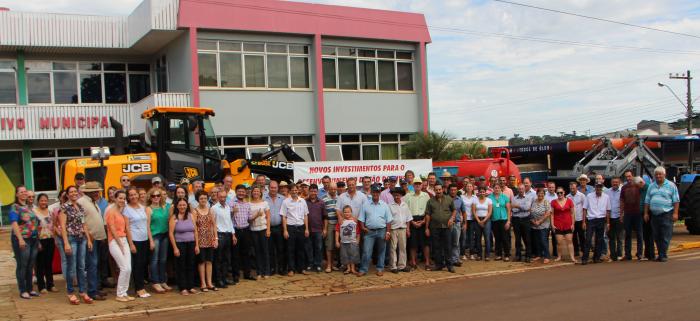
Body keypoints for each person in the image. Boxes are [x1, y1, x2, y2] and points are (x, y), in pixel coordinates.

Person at [59, 185, 93, 305]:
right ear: (67, 195)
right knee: (71, 267)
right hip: (71, 239)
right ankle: (70, 292)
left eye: (75, 191)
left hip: (82, 238)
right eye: (71, 192)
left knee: (81, 266)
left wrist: (88, 239)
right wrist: (66, 243)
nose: (74, 193)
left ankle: (83, 291)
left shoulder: (80, 207)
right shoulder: (64, 207)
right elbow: (62, 226)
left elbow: (84, 224)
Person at [77, 182, 108, 301]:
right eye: (94, 191)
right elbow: (81, 221)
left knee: (96, 264)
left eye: (97, 191)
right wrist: (88, 236)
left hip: (98, 237)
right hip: (90, 239)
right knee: (92, 265)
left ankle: (95, 288)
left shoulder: (93, 202)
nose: (97, 193)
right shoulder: (82, 202)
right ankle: (92, 291)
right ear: (88, 192)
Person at [9, 185, 40, 300]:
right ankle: (23, 290)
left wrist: (38, 239)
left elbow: (35, 223)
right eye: (21, 192)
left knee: (30, 265)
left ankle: (30, 288)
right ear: (17, 194)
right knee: (22, 265)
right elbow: (14, 223)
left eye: (25, 191)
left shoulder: (30, 207)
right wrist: (20, 239)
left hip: (33, 239)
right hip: (22, 239)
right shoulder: (15, 207)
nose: (23, 193)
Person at [644, 166, 680, 262]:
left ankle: (662, 255)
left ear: (664, 175)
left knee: (665, 235)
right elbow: (647, 201)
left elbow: (676, 200)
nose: (658, 176)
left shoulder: (671, 185)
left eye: (660, 174)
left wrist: (675, 213)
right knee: (657, 235)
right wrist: (646, 213)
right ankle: (661, 254)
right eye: (656, 174)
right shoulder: (651, 186)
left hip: (666, 214)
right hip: (654, 215)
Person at [123, 187, 153, 298]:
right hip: (135, 240)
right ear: (128, 197)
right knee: (137, 265)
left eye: (135, 194)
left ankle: (141, 287)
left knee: (143, 264)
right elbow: (127, 227)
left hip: (144, 239)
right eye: (131, 195)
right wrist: (131, 244)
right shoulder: (126, 209)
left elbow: (147, 225)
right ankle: (139, 288)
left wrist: (150, 240)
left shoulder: (142, 207)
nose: (133, 197)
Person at [105, 190, 135, 302]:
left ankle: (124, 292)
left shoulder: (121, 212)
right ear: (115, 199)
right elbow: (112, 229)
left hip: (124, 240)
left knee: (128, 268)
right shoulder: (110, 212)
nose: (122, 200)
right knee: (123, 267)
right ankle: (119, 294)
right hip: (114, 241)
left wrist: (124, 242)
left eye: (123, 198)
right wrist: (120, 244)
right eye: (120, 198)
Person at [357, 185, 392, 277]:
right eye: (374, 192)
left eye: (377, 192)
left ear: (379, 193)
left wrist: (388, 232)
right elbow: (361, 218)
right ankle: (363, 269)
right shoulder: (365, 204)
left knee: (381, 251)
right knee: (366, 251)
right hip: (369, 232)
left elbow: (389, 220)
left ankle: (380, 269)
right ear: (371, 193)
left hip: (382, 231)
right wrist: (363, 227)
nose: (375, 194)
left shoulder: (384, 205)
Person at [169, 198, 200, 295]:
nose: (182, 207)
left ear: (187, 206)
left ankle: (190, 286)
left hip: (191, 243)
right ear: (177, 206)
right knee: (181, 266)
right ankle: (182, 287)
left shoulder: (191, 215)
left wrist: (197, 245)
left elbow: (195, 231)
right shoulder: (174, 217)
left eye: (184, 205)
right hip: (180, 244)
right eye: (180, 205)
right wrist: (175, 248)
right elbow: (171, 233)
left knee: (191, 265)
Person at [425, 184, 456, 272]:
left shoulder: (449, 199)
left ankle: (449, 265)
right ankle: (439, 265)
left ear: (442, 189)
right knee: (436, 247)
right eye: (436, 190)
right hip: (434, 227)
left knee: (448, 246)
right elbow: (428, 215)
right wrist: (426, 228)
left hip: (447, 227)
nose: (438, 191)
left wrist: (452, 218)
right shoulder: (430, 201)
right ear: (434, 191)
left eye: (440, 189)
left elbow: (454, 210)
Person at [281, 184, 310, 276]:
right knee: (290, 249)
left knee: (301, 249)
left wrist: (306, 229)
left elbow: (305, 215)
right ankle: (291, 269)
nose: (294, 191)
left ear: (298, 191)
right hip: (290, 227)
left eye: (296, 190)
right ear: (290, 191)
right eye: (292, 190)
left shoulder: (303, 201)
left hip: (301, 227)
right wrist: (285, 230)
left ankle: (301, 268)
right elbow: (284, 217)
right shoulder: (286, 202)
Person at [191, 190, 217, 290]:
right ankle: (203, 284)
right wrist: (196, 243)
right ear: (198, 199)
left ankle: (210, 283)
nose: (203, 200)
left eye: (205, 198)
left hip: (210, 239)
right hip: (200, 239)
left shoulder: (210, 210)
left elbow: (214, 225)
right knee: (201, 261)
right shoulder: (194, 211)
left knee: (209, 261)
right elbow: (194, 228)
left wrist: (215, 238)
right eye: (201, 198)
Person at [147, 188, 171, 293]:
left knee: (163, 260)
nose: (156, 197)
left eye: (158, 195)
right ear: (150, 197)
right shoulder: (148, 209)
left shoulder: (164, 207)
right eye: (153, 196)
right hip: (155, 236)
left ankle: (163, 281)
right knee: (154, 260)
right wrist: (151, 240)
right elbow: (147, 226)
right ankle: (155, 282)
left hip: (164, 235)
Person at [229, 184, 255, 281]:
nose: (241, 193)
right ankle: (236, 275)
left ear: (245, 193)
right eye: (239, 191)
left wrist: (257, 215)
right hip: (235, 231)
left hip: (246, 230)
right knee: (235, 254)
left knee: (246, 253)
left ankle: (247, 274)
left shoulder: (247, 204)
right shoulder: (231, 203)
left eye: (243, 192)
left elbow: (249, 218)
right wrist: (232, 212)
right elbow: (227, 218)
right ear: (236, 192)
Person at [212, 189, 237, 288]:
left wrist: (233, 234)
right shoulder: (214, 208)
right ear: (217, 197)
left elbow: (229, 222)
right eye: (221, 197)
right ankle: (218, 280)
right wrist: (215, 238)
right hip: (219, 235)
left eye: (224, 197)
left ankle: (224, 278)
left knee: (227, 259)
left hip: (228, 235)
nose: (223, 199)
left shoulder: (227, 207)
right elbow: (212, 224)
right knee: (218, 259)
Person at [582, 184, 611, 265]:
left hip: (601, 219)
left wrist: (608, 223)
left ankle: (596, 258)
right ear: (595, 188)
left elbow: (608, 210)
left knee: (599, 240)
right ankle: (585, 258)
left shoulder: (606, 197)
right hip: (591, 219)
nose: (598, 188)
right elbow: (584, 209)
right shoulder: (589, 196)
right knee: (588, 239)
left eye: (600, 187)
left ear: (602, 188)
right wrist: (583, 222)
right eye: (597, 187)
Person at [405, 177, 430, 269]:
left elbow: (428, 210)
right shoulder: (408, 196)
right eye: (416, 184)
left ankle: (427, 262)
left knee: (425, 244)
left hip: (423, 219)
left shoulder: (426, 195)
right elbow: (406, 210)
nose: (418, 185)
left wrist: (424, 221)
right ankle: (413, 262)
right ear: (413, 185)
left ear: (422, 185)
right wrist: (412, 222)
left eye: (419, 184)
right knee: (413, 244)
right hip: (412, 219)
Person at [34, 193, 57, 293]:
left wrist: (55, 237)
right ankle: (41, 286)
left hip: (50, 239)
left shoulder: (50, 211)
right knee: (40, 264)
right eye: (41, 200)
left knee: (49, 263)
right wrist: (37, 242)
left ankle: (50, 285)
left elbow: (54, 225)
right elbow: (33, 228)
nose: (44, 202)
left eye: (45, 200)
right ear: (38, 201)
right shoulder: (34, 212)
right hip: (40, 240)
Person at [249, 185, 272, 279]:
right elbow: (249, 219)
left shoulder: (265, 203)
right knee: (257, 252)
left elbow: (268, 217)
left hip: (263, 229)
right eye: (254, 191)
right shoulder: (249, 204)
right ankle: (259, 272)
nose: (256, 193)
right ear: (252, 193)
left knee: (265, 251)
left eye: (257, 191)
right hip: (254, 230)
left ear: (260, 193)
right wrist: (256, 215)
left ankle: (266, 272)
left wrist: (268, 229)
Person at [265, 180, 287, 275]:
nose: (273, 189)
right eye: (271, 187)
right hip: (268, 228)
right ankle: (272, 268)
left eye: (275, 187)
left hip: (279, 227)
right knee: (270, 249)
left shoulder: (282, 199)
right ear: (269, 188)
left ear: (278, 188)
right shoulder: (263, 198)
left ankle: (281, 268)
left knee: (280, 249)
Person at [388, 187, 412, 273]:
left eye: (398, 195)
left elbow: (408, 218)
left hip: (403, 229)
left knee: (403, 248)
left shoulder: (405, 205)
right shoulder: (390, 206)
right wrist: (388, 231)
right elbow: (388, 219)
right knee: (393, 248)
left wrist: (408, 229)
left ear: (401, 195)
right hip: (393, 229)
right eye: (394, 195)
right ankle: (393, 266)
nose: (396, 197)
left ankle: (402, 266)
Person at [620, 172, 643, 261]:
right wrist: (621, 213)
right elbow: (622, 200)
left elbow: (645, 190)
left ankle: (640, 253)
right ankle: (627, 254)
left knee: (639, 234)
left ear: (632, 176)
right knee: (628, 234)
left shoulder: (638, 185)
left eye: (629, 176)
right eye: (626, 177)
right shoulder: (624, 187)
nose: (628, 178)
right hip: (628, 213)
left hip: (637, 213)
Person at [305, 184, 327, 273]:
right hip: (308, 230)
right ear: (309, 191)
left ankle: (318, 264)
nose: (313, 193)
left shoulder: (321, 202)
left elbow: (325, 217)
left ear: (317, 192)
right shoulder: (304, 202)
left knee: (318, 248)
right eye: (311, 191)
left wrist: (325, 229)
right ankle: (310, 264)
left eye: (315, 191)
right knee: (309, 247)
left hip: (318, 229)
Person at [552, 187, 576, 262]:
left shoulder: (569, 201)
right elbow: (552, 214)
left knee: (569, 241)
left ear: (564, 192)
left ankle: (572, 257)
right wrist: (552, 224)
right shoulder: (553, 202)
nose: (559, 194)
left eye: (561, 192)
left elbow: (572, 213)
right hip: (558, 224)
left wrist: (573, 224)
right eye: (558, 193)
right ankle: (559, 256)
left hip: (568, 224)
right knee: (559, 242)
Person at [511, 183, 534, 262]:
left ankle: (528, 256)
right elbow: (513, 210)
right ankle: (518, 256)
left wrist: (517, 206)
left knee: (527, 238)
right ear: (518, 189)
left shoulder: (528, 198)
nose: (521, 190)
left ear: (524, 189)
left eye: (522, 189)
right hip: (516, 220)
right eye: (519, 189)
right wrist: (521, 207)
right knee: (517, 239)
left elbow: (527, 207)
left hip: (525, 220)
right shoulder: (514, 198)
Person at [335, 206, 360, 275]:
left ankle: (353, 268)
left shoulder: (354, 221)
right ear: (343, 213)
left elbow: (358, 232)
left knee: (353, 255)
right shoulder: (341, 221)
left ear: (351, 212)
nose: (347, 213)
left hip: (353, 242)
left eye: (348, 212)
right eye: (345, 212)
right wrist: (337, 241)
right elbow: (337, 231)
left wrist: (358, 240)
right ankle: (348, 268)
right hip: (344, 242)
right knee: (345, 255)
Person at [489, 184, 511, 261]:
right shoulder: (489, 197)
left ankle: (507, 255)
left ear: (500, 189)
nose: (497, 189)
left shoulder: (504, 197)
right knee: (497, 238)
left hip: (504, 220)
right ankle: (498, 254)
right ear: (493, 189)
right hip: (494, 220)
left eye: (498, 188)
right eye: (495, 188)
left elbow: (508, 210)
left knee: (505, 238)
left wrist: (508, 221)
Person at [530, 188, 552, 264]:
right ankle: (538, 255)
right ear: (537, 194)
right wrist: (533, 221)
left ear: (544, 194)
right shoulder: (534, 202)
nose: (540, 194)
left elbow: (548, 213)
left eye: (542, 193)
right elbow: (531, 212)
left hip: (544, 225)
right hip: (534, 225)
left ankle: (546, 256)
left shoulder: (546, 202)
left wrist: (540, 221)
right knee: (537, 241)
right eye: (539, 193)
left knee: (543, 240)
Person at [322, 183, 339, 273]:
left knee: (335, 246)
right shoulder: (324, 198)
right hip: (329, 224)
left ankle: (333, 264)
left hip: (338, 224)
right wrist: (324, 227)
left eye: (334, 189)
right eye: (331, 189)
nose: (333, 191)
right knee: (329, 245)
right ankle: (328, 265)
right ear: (328, 189)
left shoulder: (339, 197)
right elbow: (322, 213)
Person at [567, 182, 587, 258]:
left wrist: (584, 221)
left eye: (574, 188)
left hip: (580, 219)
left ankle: (584, 250)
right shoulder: (567, 197)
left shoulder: (582, 196)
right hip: (572, 220)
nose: (572, 189)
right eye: (571, 188)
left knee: (582, 236)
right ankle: (576, 251)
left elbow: (585, 208)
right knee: (574, 236)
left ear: (576, 188)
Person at [473, 186, 493, 261]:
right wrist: (478, 221)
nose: (482, 193)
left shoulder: (489, 200)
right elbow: (474, 211)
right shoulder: (475, 200)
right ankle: (479, 255)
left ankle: (487, 255)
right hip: (477, 220)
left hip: (486, 220)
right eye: (480, 192)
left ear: (485, 192)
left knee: (487, 238)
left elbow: (490, 212)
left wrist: (484, 220)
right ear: (478, 192)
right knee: (478, 238)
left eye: (483, 192)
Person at [605, 177, 623, 261]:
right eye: (613, 182)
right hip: (610, 217)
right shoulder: (607, 192)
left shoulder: (623, 191)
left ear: (619, 183)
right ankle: (613, 255)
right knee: (611, 237)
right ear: (611, 183)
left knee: (619, 237)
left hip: (619, 217)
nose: (615, 183)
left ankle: (619, 254)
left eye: (616, 182)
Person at [448, 184, 465, 266]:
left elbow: (464, 212)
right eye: (451, 190)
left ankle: (455, 259)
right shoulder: (445, 199)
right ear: (449, 190)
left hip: (457, 223)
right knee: (448, 242)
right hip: (447, 224)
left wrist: (465, 223)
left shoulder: (460, 200)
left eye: (455, 190)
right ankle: (448, 259)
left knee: (456, 242)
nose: (453, 191)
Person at [460, 182, 478, 260]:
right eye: (467, 186)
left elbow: (476, 208)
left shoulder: (475, 197)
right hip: (464, 219)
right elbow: (460, 208)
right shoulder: (461, 197)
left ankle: (471, 253)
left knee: (471, 237)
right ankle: (463, 254)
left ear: (472, 188)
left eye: (470, 186)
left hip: (472, 220)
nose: (469, 187)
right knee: (463, 237)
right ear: (465, 187)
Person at [639, 177, 655, 261]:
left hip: (649, 213)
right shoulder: (640, 189)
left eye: (638, 185)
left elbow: (647, 202)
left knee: (650, 234)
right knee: (646, 235)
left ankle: (651, 255)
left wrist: (646, 213)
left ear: (642, 182)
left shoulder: (649, 188)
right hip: (643, 214)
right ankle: (647, 254)